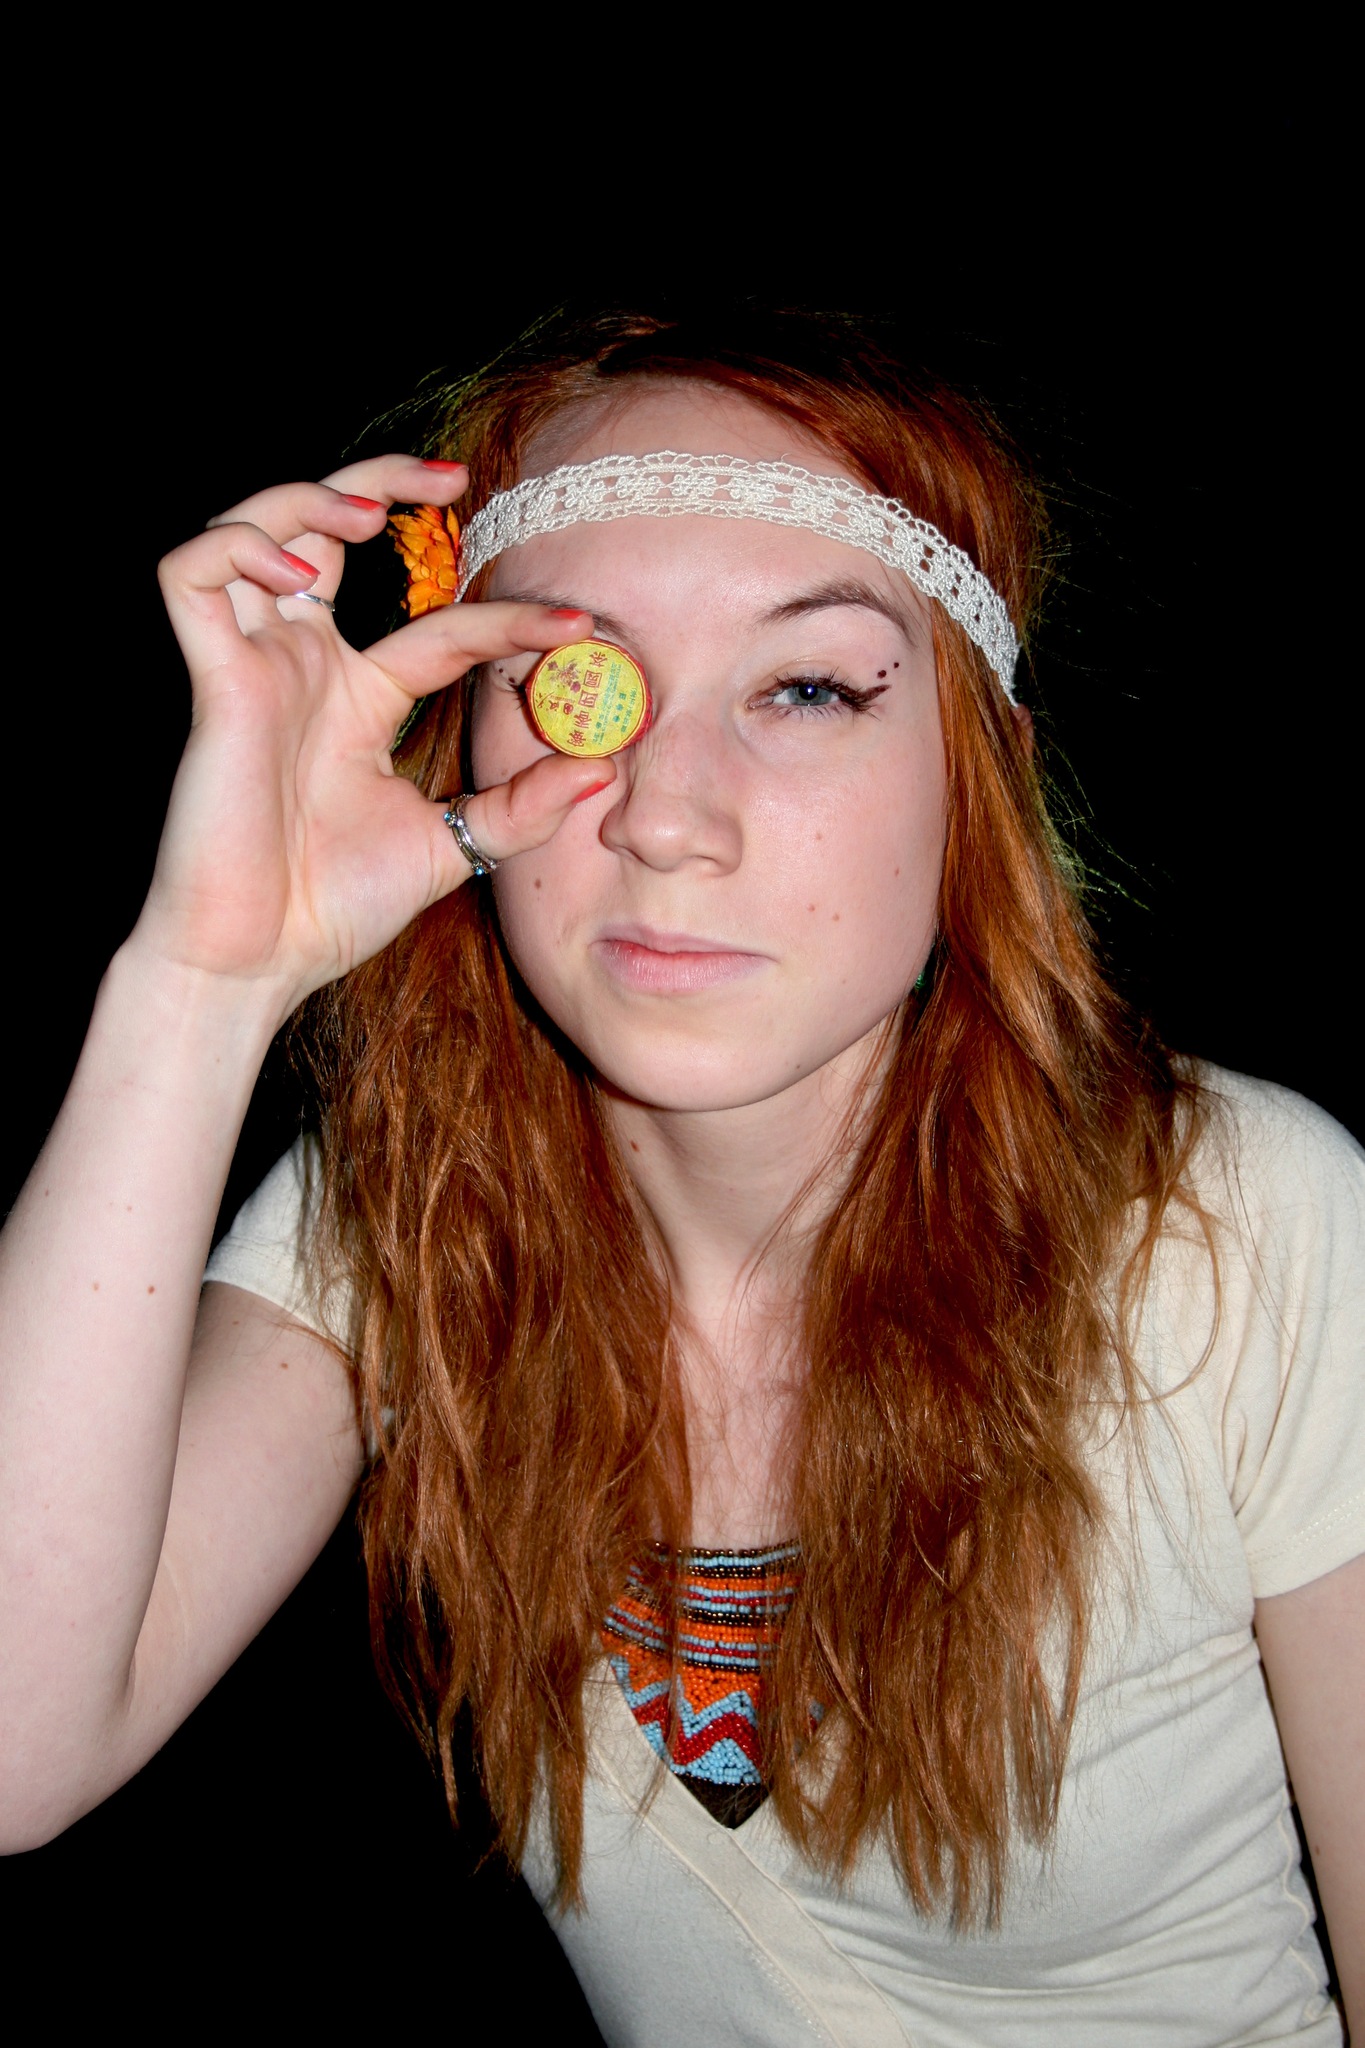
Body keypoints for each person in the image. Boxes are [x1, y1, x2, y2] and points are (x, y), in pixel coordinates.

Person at [1, 306, 1360, 2046]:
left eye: (805, 688)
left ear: (976, 773)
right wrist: (203, 978)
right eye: (580, 682)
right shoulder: (406, 1217)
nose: (663, 813)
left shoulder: (1239, 1228)